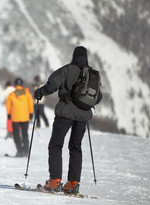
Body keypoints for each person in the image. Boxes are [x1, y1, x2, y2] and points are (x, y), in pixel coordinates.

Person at [34, 46, 102, 193]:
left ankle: (55, 181)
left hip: (65, 112)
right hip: (83, 115)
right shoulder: (92, 74)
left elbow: (51, 85)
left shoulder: (67, 69)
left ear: (74, 56)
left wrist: (39, 92)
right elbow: (99, 96)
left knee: (56, 145)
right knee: (76, 147)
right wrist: (84, 103)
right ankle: (73, 183)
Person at [6, 78, 34, 157]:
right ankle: (26, 151)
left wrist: (9, 114)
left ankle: (20, 151)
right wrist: (31, 113)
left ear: (15, 85)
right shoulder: (27, 94)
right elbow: (30, 104)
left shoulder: (11, 94)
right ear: (22, 85)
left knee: (16, 135)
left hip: (15, 117)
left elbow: (8, 105)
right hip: (25, 117)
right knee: (25, 134)